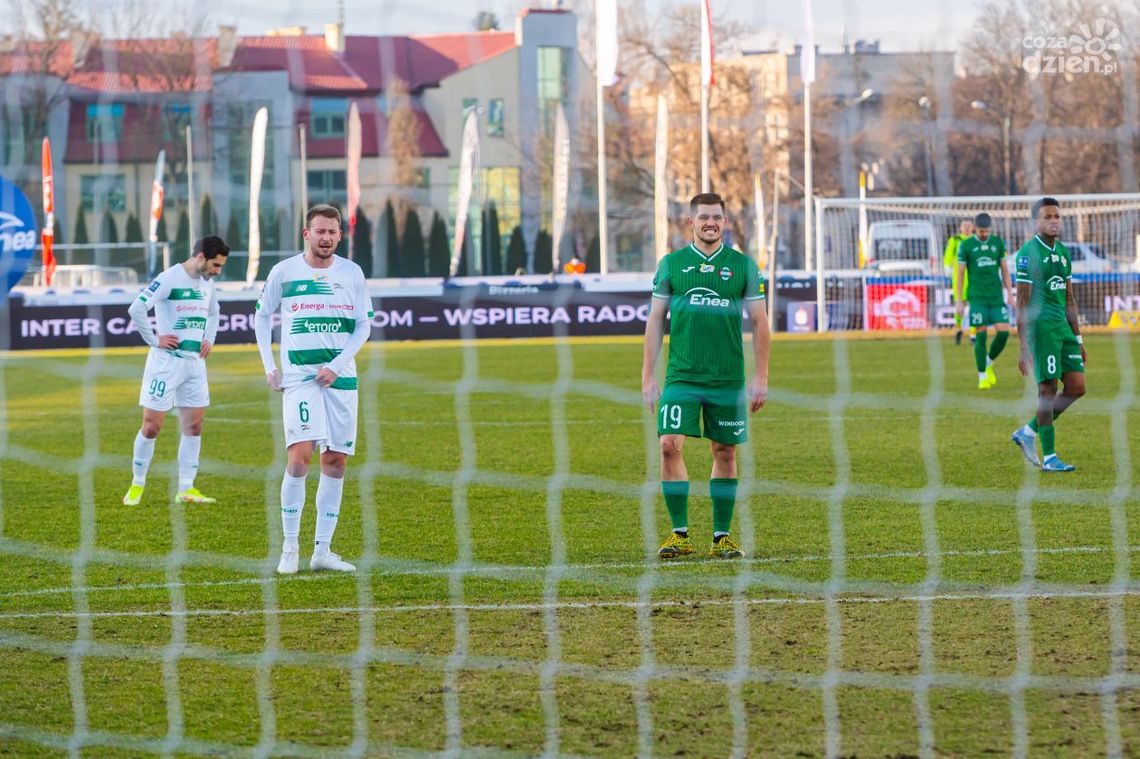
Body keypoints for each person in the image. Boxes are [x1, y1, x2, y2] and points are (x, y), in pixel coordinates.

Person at [642, 192, 770, 560]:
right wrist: (648, 375)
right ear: (691, 223)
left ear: (725, 223)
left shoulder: (744, 267)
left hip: (727, 378)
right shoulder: (672, 265)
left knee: (725, 451)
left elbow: (760, 322)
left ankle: (721, 537)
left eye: (716, 217)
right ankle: (679, 535)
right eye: (703, 217)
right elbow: (655, 320)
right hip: (682, 375)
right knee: (668, 444)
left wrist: (761, 377)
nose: (710, 223)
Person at [254, 205, 373, 573]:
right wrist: (269, 366)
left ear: (340, 235)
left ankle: (322, 550)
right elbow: (261, 315)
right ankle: (290, 548)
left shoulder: (352, 273)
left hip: (342, 379)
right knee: (299, 458)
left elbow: (363, 326)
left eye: (332, 231)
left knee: (335, 461)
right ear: (306, 234)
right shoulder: (284, 271)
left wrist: (336, 366)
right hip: (300, 379)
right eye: (320, 231)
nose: (326, 237)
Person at [122, 236, 229, 506]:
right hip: (166, 363)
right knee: (152, 426)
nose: (218, 271)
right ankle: (137, 484)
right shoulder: (169, 278)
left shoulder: (208, 283)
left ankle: (186, 488)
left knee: (194, 426)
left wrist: (209, 339)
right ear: (201, 256)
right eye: (216, 265)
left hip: (195, 365)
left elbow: (214, 313)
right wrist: (154, 339)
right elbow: (137, 308)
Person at [1010, 197, 1086, 472]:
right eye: (1048, 217)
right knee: (1048, 389)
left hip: (1063, 328)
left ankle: (1028, 432)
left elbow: (1069, 299)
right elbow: (1022, 303)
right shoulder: (1028, 253)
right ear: (1036, 222)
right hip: (1041, 329)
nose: (1054, 221)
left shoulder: (1063, 252)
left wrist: (1078, 339)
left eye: (1057, 216)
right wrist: (1023, 347)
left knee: (1077, 387)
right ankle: (1050, 457)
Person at [955, 212, 1013, 389]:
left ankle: (988, 361)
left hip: (996, 297)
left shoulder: (997, 243)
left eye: (986, 231)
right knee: (980, 335)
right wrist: (959, 300)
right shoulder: (966, 245)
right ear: (975, 228)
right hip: (977, 298)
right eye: (981, 231)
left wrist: (1010, 294)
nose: (984, 234)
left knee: (1004, 333)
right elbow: (960, 274)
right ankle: (982, 376)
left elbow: (1005, 270)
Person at [944, 218, 975, 343]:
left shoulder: (976, 240)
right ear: (960, 228)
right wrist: (947, 267)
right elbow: (948, 254)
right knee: (959, 305)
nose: (967, 228)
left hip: (974, 277)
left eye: (969, 225)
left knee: (974, 305)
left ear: (973, 227)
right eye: (964, 226)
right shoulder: (955, 240)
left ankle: (973, 334)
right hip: (959, 277)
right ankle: (958, 329)